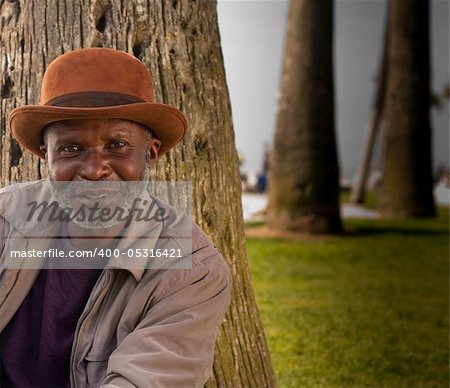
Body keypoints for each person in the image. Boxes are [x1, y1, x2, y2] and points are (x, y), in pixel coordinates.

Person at [0, 48, 231, 387]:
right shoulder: (5, 219)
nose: (94, 171)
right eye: (70, 149)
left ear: (149, 153)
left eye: (117, 146)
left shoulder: (192, 270)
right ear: (45, 159)